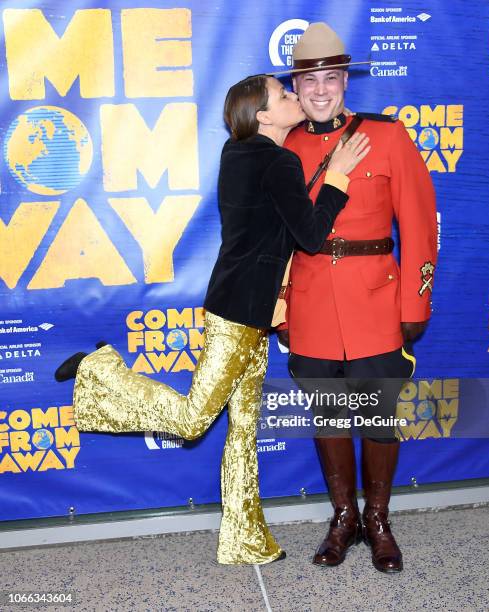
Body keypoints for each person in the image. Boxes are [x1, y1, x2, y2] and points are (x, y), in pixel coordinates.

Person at [54, 74, 371, 565]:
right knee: (194, 418)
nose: (293, 97)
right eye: (283, 95)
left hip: (247, 309)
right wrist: (338, 178)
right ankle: (99, 369)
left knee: (245, 429)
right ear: (263, 115)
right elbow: (309, 234)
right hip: (241, 313)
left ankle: (246, 541)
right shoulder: (276, 160)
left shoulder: (238, 154)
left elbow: (271, 232)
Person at [274, 23, 438, 573]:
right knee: (329, 415)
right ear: (296, 86)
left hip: (376, 300)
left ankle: (379, 520)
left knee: (379, 416)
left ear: (346, 81)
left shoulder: (387, 136)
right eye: (310, 79)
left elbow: (418, 222)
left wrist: (415, 304)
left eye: (332, 77)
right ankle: (343, 517)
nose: (321, 90)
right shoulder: (287, 146)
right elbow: (276, 235)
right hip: (312, 298)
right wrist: (280, 305)